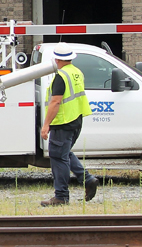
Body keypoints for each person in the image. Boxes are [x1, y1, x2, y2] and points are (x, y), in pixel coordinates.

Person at [40, 43, 99, 206]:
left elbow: (56, 101)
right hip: (76, 120)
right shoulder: (76, 73)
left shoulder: (61, 76)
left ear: (57, 58)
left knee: (58, 157)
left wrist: (46, 125)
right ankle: (88, 180)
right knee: (64, 153)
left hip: (63, 121)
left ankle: (61, 197)